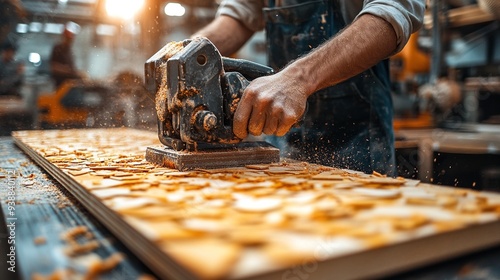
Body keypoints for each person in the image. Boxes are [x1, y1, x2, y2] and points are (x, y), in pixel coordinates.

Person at [192, 0, 426, 176]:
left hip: (358, 144)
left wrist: (298, 79)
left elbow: (391, 14)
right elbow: (240, 14)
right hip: (283, 141)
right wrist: (187, 53)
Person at [49, 23, 81, 88]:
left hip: (69, 87)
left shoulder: (69, 50)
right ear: (64, 36)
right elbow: (53, 67)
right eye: (68, 37)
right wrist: (70, 71)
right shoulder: (58, 48)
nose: (71, 39)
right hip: (61, 86)